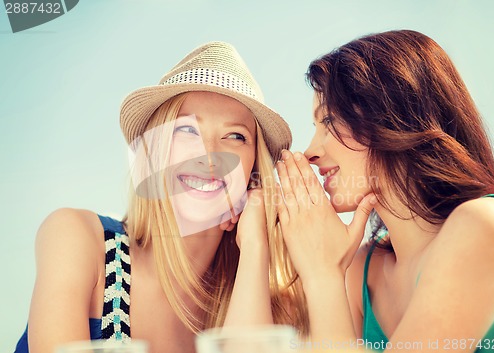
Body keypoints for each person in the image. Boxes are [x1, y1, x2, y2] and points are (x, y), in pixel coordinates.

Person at [15, 42, 306, 353]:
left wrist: (255, 247)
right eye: (187, 130)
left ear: (252, 173)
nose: (208, 154)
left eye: (235, 136)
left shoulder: (273, 305)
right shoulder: (78, 239)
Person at [276, 30, 494, 352]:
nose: (310, 152)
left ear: (394, 116)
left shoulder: (483, 224)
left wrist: (322, 276)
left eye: (329, 121)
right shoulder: (360, 271)